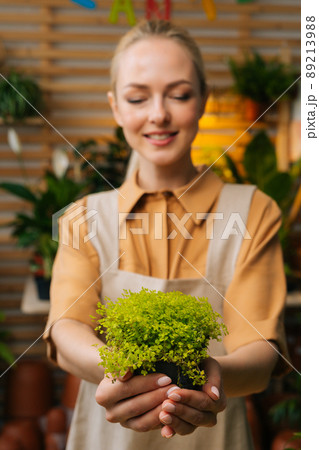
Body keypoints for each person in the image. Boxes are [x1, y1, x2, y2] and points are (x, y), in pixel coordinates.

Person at [44, 19, 290, 450]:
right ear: (116, 107)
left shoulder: (253, 210)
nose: (158, 113)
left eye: (178, 94)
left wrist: (208, 379)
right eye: (137, 97)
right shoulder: (84, 217)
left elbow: (260, 351)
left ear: (202, 101)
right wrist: (120, 370)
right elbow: (66, 331)